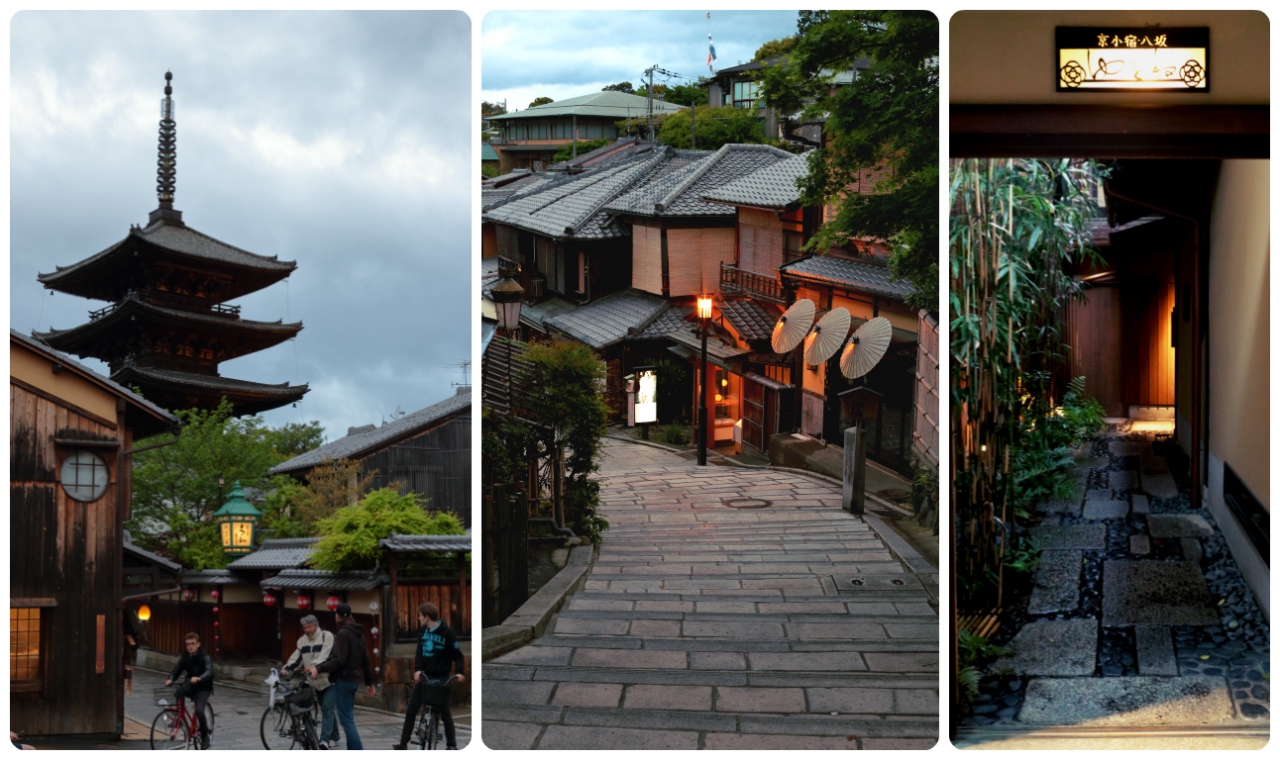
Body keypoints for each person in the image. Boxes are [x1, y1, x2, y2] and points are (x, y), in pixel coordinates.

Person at [393, 602, 466, 750]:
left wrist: (459, 672)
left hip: (441, 679)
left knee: (445, 713)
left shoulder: (447, 633)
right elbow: (419, 653)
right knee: (411, 709)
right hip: (424, 677)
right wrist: (418, 670)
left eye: (420, 616)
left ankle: (451, 745)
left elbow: (458, 656)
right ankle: (403, 743)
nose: (419, 618)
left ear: (426, 617)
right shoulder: (423, 631)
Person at [308, 603, 375, 750]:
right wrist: (369, 682)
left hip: (344, 681)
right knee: (348, 719)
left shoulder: (343, 634)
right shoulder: (358, 632)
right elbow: (366, 659)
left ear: (337, 616)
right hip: (354, 681)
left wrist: (318, 669)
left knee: (347, 721)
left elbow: (338, 660)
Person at [281, 614, 339, 749]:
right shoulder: (302, 641)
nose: (307, 630)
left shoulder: (327, 636)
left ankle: (325, 740)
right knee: (327, 709)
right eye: (305, 627)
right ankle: (335, 736)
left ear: (316, 625)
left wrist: (313, 666)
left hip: (329, 679)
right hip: (314, 683)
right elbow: (296, 659)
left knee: (326, 708)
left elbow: (325, 656)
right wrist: (286, 670)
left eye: (309, 627)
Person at [165, 632, 214, 750]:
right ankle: (179, 718)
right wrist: (170, 679)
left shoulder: (204, 656)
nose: (190, 647)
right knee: (178, 689)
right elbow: (176, 670)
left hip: (203, 688)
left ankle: (205, 737)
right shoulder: (185, 657)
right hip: (191, 685)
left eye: (193, 644)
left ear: (198, 644)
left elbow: (210, 671)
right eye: (187, 644)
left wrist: (200, 678)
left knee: (200, 711)